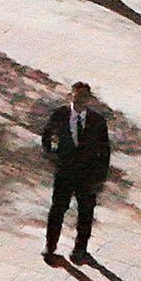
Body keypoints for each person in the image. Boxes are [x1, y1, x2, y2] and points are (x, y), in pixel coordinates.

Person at [38, 81, 113, 266]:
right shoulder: (60, 115)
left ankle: (80, 249)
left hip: (87, 175)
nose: (80, 100)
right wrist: (53, 157)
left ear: (89, 99)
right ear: (71, 96)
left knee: (86, 212)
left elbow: (105, 150)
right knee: (57, 210)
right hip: (65, 172)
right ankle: (50, 246)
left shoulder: (97, 121)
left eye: (84, 97)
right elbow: (46, 135)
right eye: (77, 96)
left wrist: (101, 175)